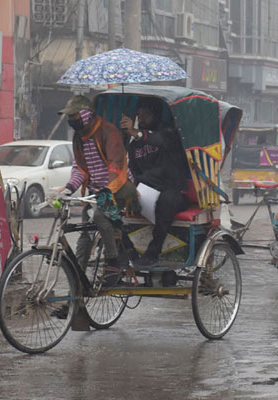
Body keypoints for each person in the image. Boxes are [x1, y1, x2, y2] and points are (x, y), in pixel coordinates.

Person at [57, 95, 137, 286]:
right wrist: (68, 188)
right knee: (84, 237)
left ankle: (113, 261)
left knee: (100, 216)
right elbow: (80, 170)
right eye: (70, 118)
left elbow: (116, 167)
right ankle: (76, 288)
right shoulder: (79, 138)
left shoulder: (109, 131)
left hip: (119, 188)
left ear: (87, 114)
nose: (72, 121)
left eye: (75, 116)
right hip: (94, 193)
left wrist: (107, 190)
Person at [120, 97, 191, 268]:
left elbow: (158, 140)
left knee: (165, 202)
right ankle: (127, 251)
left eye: (145, 114)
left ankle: (153, 253)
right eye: (139, 114)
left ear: (155, 114)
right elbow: (134, 170)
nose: (141, 117)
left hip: (173, 190)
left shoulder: (169, 132)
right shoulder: (134, 144)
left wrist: (136, 133)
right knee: (112, 204)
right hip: (146, 191)